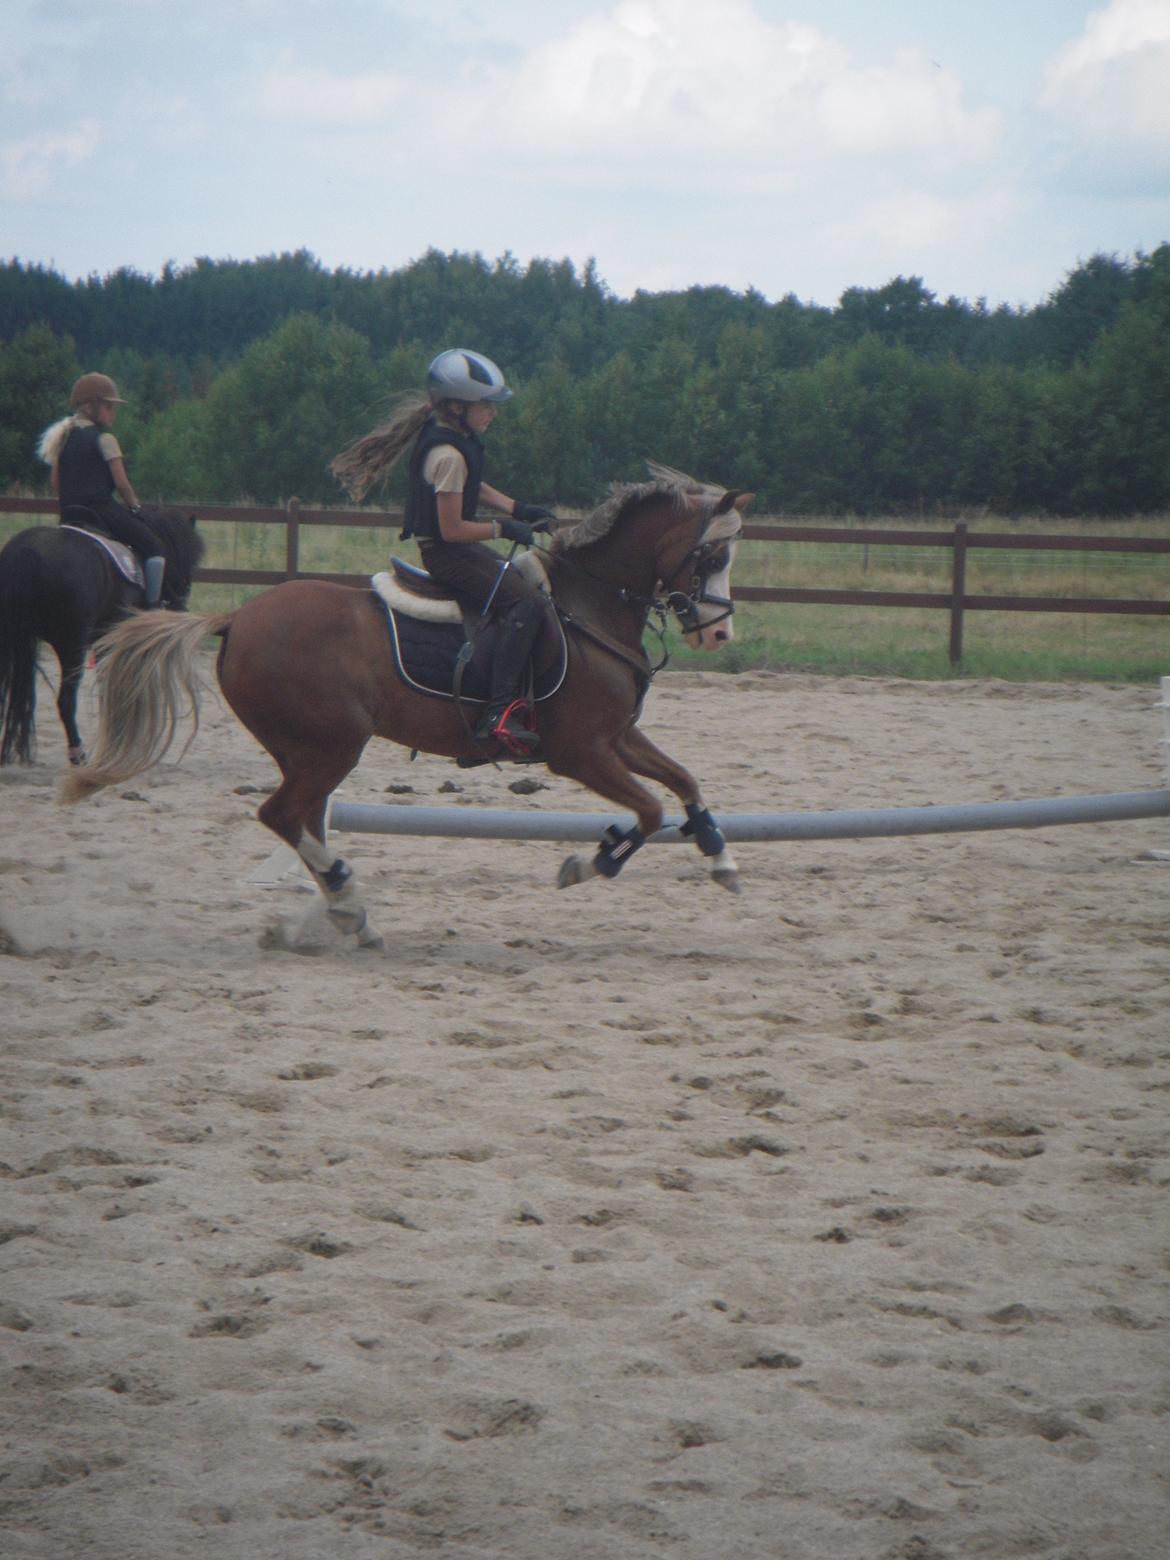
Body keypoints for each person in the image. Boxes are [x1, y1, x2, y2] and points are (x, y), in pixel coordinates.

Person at [331, 348, 554, 753]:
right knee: (526, 605)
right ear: (457, 406)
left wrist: (517, 507)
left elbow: (474, 486)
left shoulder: (457, 442)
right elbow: (452, 529)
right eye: (486, 406)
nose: (493, 413)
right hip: (449, 554)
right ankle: (497, 712)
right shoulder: (447, 455)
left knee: (523, 589)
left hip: (457, 551)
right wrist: (502, 527)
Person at [39, 373, 167, 608]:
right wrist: (135, 508)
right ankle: (153, 609)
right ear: (90, 407)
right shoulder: (105, 438)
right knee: (155, 548)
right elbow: (122, 483)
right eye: (109, 407)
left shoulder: (62, 438)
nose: (113, 413)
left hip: (69, 514)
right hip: (102, 510)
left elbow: (56, 483)